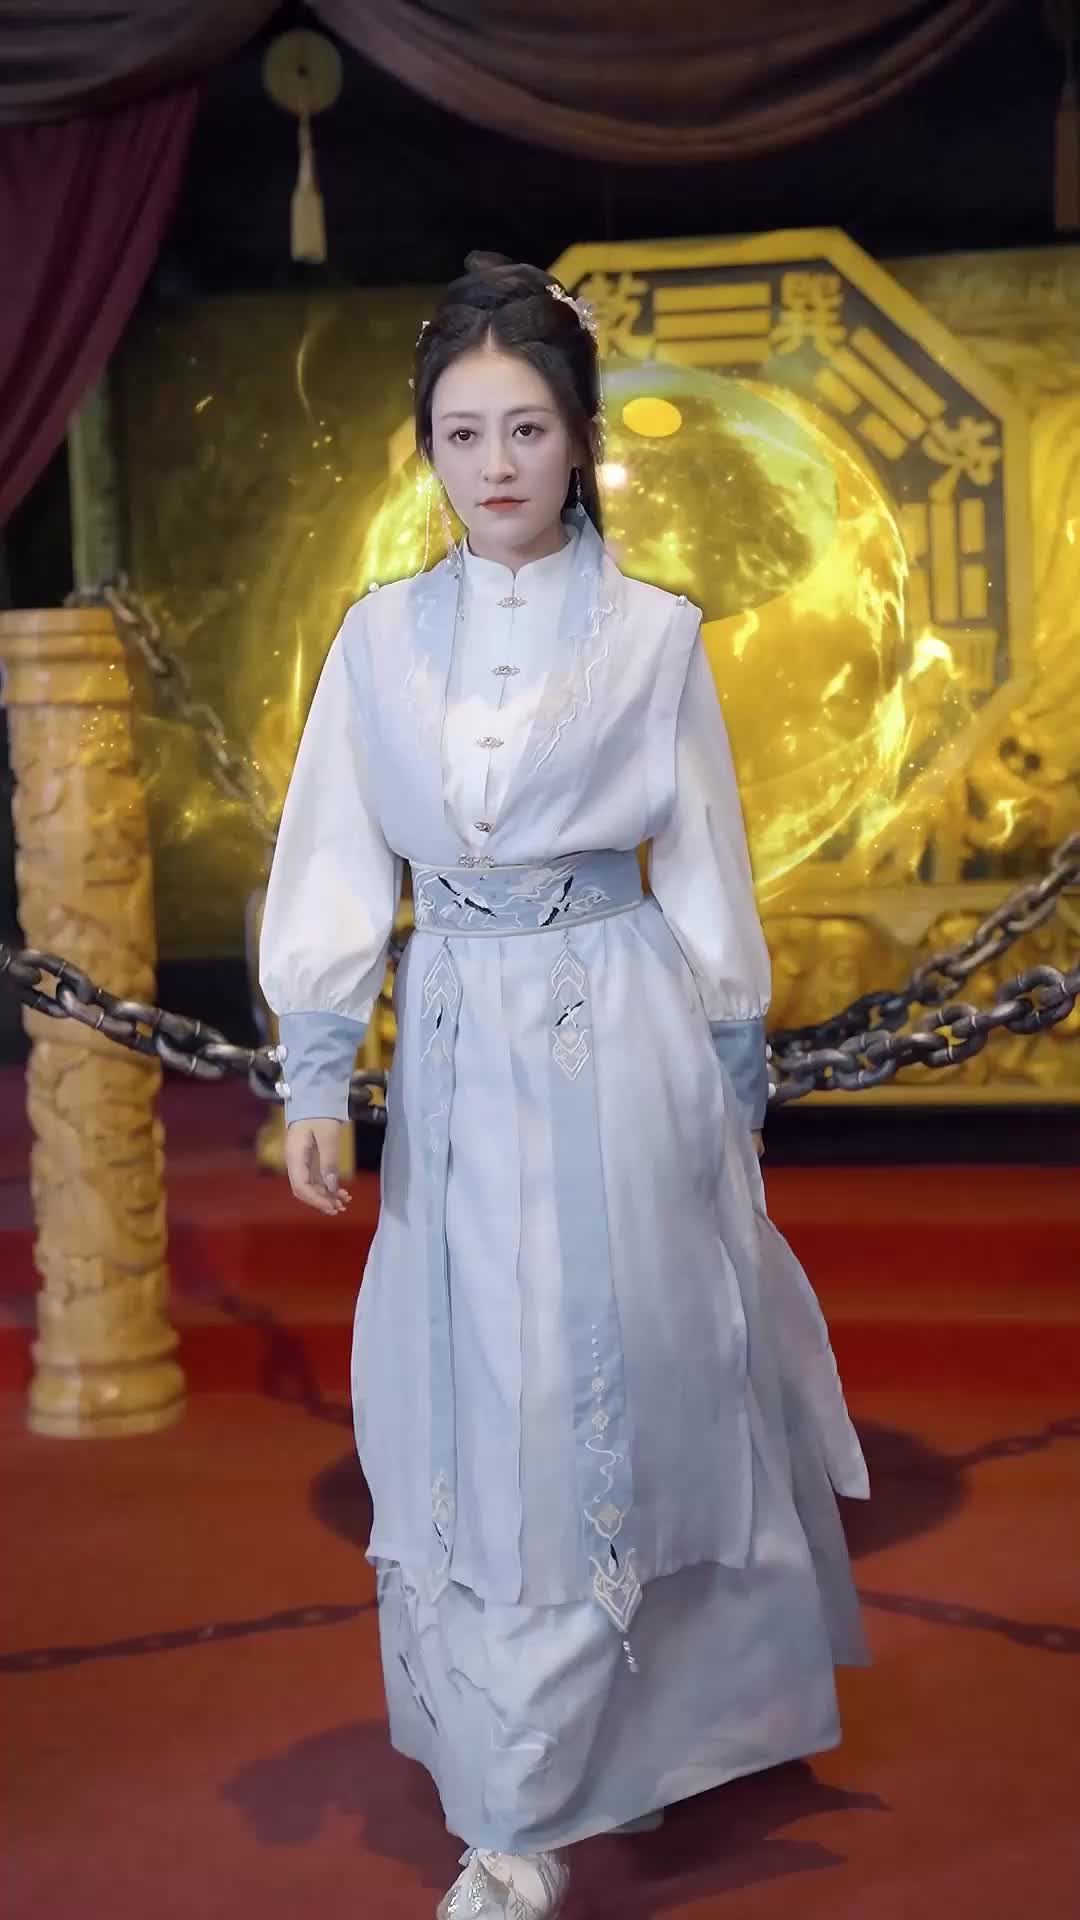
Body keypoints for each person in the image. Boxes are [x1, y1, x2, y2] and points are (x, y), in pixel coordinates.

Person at [259, 251, 870, 1920]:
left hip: (627, 1038)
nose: (497, 463)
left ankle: (623, 1752)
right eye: (464, 433)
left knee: (644, 1380)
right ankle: (519, 1801)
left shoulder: (655, 637)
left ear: (582, 437)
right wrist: (316, 1066)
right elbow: (334, 855)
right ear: (429, 449)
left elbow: (706, 866)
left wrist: (732, 1065)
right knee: (493, 1411)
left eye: (528, 427)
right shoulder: (378, 644)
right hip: (461, 1048)